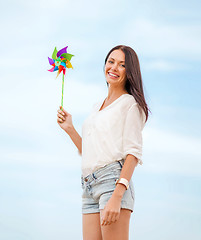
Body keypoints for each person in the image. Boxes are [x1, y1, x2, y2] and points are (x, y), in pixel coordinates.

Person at [57, 45, 150, 240]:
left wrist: (117, 196)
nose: (114, 68)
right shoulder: (96, 107)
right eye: (111, 62)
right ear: (105, 65)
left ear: (130, 71)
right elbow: (92, 151)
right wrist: (69, 129)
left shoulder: (130, 104)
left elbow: (133, 153)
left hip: (112, 183)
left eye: (122, 65)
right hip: (89, 185)